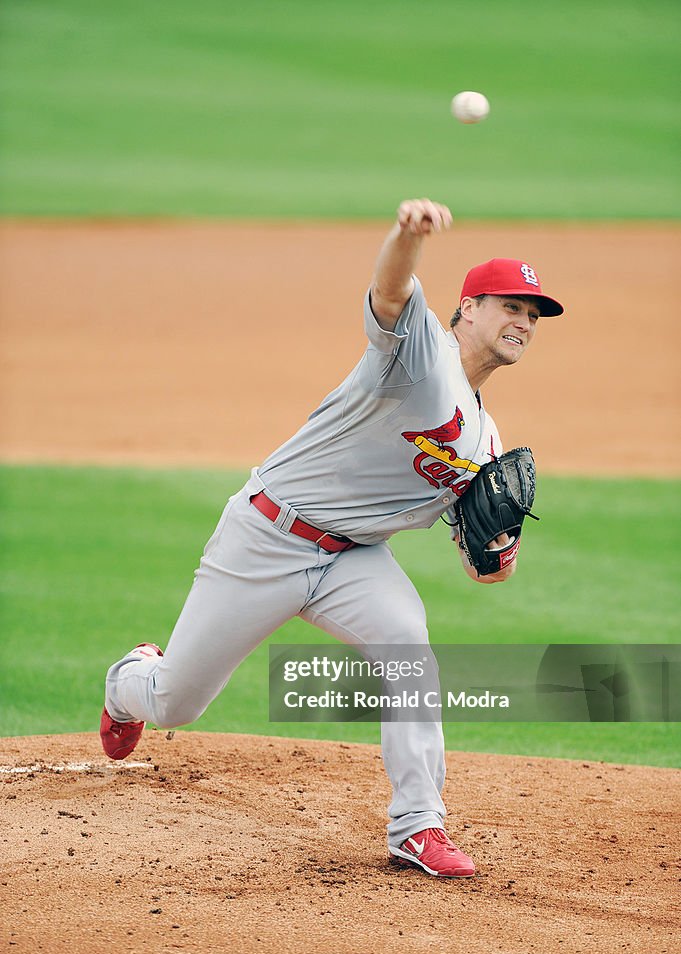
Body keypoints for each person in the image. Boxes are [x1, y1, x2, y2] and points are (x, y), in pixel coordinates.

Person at [101, 198, 564, 879]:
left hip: (353, 561)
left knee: (407, 646)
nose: (523, 321)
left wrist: (495, 559)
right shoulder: (417, 356)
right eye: (509, 306)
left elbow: (483, 568)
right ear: (467, 309)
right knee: (177, 702)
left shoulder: (483, 439)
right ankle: (128, 680)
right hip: (265, 537)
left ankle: (417, 827)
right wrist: (406, 235)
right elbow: (389, 291)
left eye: (532, 314)